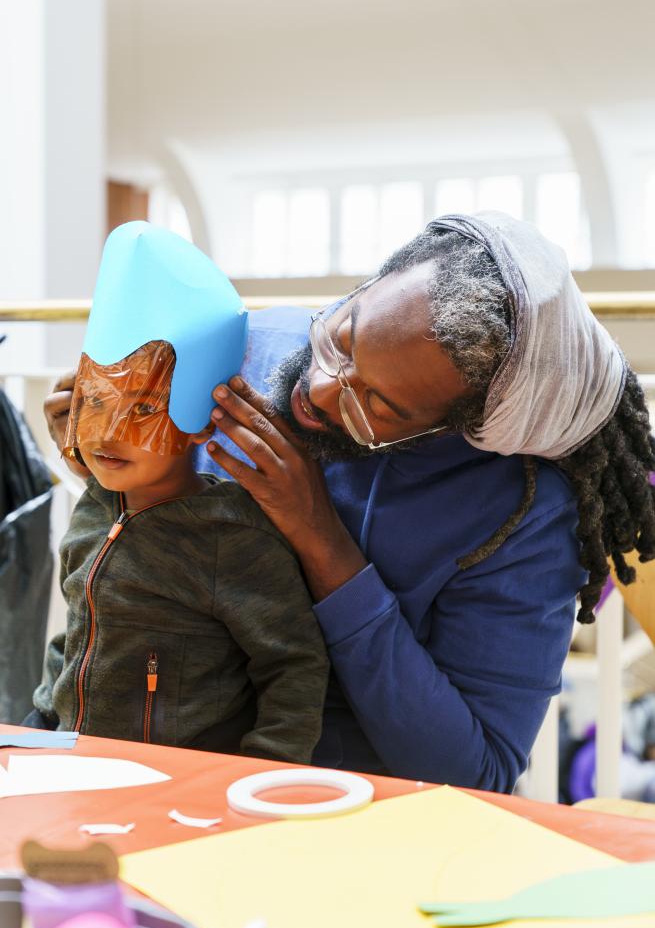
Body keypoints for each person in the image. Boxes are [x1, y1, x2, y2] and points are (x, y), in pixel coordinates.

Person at [46, 212, 655, 792]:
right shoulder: (248, 350)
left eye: (380, 405)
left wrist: (322, 540)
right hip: (147, 775)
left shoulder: (522, 512)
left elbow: (477, 772)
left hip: (348, 818)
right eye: (345, 334)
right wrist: (107, 465)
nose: (317, 388)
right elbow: (151, 565)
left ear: (458, 429)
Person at [28, 222, 328, 763]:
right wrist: (44, 721)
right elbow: (79, 629)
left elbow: (293, 665)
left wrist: (264, 769)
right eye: (96, 401)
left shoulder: (230, 536)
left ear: (199, 422)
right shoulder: (95, 509)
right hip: (75, 767)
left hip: (178, 784)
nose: (109, 431)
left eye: (142, 408)